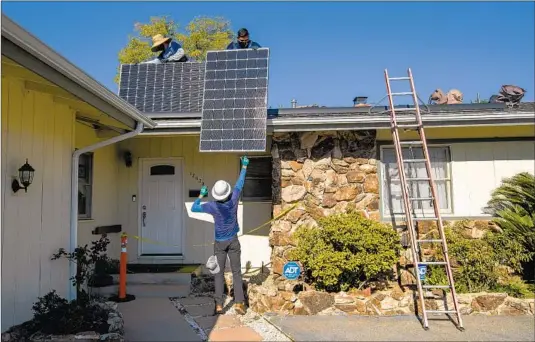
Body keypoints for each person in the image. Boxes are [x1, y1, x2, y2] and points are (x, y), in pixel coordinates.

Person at [191, 156, 250, 315]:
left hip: (219, 243)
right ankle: (238, 303)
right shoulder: (234, 199)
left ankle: (218, 305)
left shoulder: (211, 206)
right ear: (227, 192)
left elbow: (194, 208)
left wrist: (201, 194)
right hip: (233, 241)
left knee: (219, 273)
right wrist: (244, 166)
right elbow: (240, 183)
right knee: (237, 272)